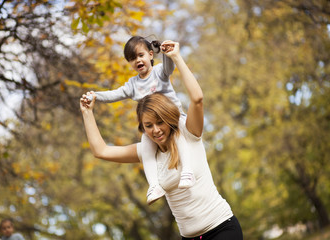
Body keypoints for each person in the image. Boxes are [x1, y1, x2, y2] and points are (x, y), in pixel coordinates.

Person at [80, 40, 243, 239]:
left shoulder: (188, 131)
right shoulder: (148, 151)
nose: (155, 130)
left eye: (160, 122)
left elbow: (197, 99)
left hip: (221, 228)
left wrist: (176, 57)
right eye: (148, 126)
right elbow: (101, 151)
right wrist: (87, 112)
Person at [87, 36, 195, 205]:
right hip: (154, 125)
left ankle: (187, 171)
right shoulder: (133, 85)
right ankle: (154, 185)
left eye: (140, 55)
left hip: (174, 117)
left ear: (151, 55)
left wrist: (167, 54)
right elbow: (114, 94)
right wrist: (95, 96)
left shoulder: (159, 72)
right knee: (146, 143)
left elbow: (169, 67)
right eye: (132, 59)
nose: (137, 60)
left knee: (178, 133)